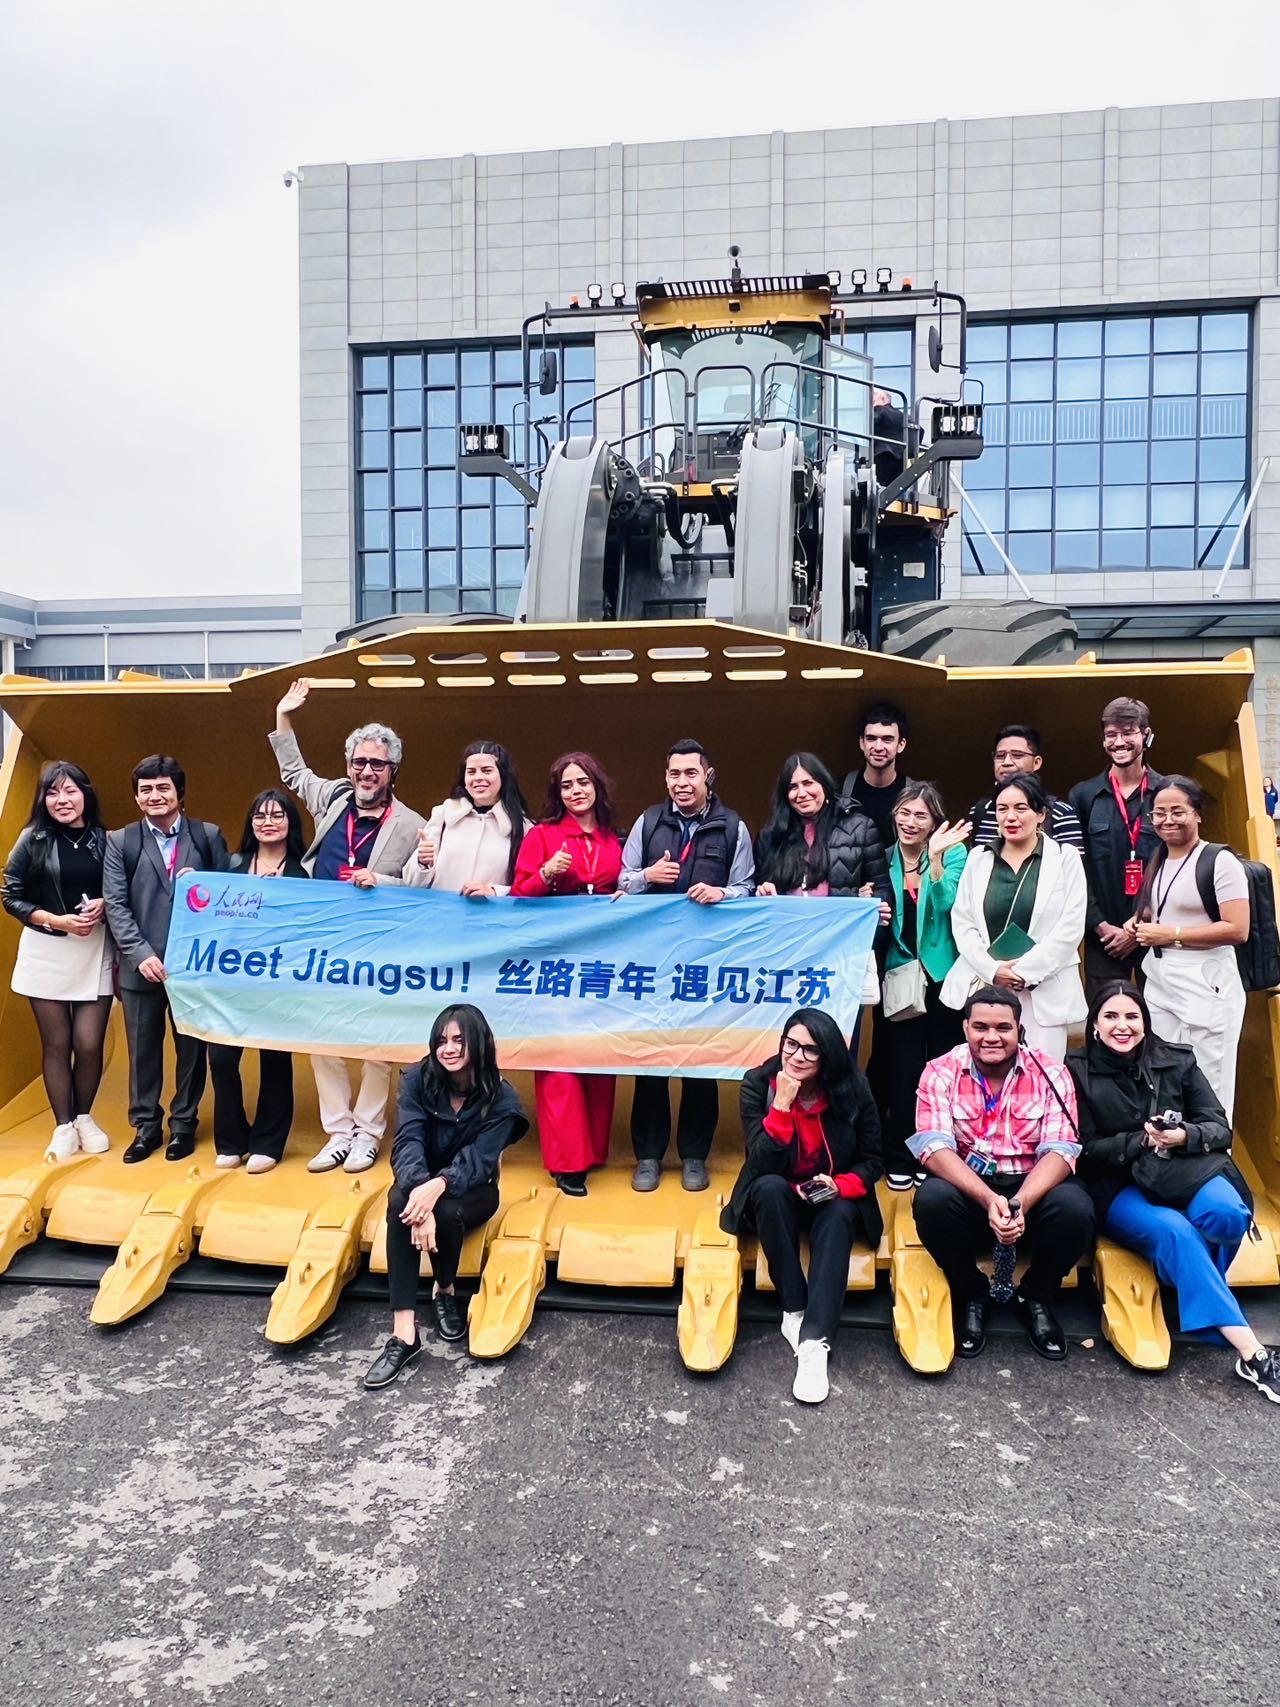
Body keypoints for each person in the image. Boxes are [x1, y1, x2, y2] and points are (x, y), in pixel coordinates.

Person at [1068, 980, 1279, 1403]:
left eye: (1132, 1016)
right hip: (1120, 1183)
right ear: (1094, 1026)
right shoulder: (1075, 1070)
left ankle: (1190, 1287)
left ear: (1145, 1023)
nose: (1122, 1026)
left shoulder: (1177, 1061)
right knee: (1176, 1233)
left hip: (1184, 1168)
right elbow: (1083, 1151)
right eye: (1110, 1016)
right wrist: (1140, 1141)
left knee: (1230, 1213)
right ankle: (1252, 1353)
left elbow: (1219, 1127)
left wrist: (1184, 1136)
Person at [270, 679, 426, 1174]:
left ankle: (368, 1134)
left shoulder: (412, 823)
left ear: (392, 770)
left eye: (376, 764)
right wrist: (284, 716)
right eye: (359, 762)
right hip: (325, 940)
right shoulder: (333, 800)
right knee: (324, 1038)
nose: (366, 771)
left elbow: (421, 886)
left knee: (377, 1043)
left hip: (380, 946)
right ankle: (337, 1132)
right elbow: (293, 772)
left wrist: (378, 880)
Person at [910, 985, 1095, 1360]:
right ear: (965, 1029)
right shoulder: (939, 1072)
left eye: (1002, 1028)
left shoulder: (1052, 1073)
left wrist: (1019, 1203)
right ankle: (971, 1294)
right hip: (971, 1187)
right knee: (931, 1200)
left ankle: (1036, 1296)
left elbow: (1062, 1150)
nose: (991, 1037)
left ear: (1019, 1030)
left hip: (1031, 1188)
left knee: (1077, 1208)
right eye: (980, 1027)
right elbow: (933, 1149)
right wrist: (990, 1199)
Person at [720, 1009, 884, 1404]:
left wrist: (840, 1184)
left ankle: (815, 1343)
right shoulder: (758, 1084)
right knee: (769, 1188)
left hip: (829, 1192)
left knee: (840, 1212)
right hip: (779, 1193)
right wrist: (782, 1107)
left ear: (828, 1056)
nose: (797, 1057)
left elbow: (873, 1160)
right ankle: (793, 1309)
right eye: (791, 1045)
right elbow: (760, 1161)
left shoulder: (853, 1088)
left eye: (811, 1051)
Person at [363, 1005, 528, 1388]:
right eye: (441, 1040)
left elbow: (478, 1162)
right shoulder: (418, 1079)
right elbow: (407, 1142)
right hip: (419, 1183)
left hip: (473, 1191)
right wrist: (422, 1196)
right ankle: (405, 1334)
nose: (448, 1049)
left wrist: (436, 1190)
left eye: (458, 1040)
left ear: (479, 1044)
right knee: (400, 1203)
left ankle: (444, 1289)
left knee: (447, 1209)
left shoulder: (502, 1099)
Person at [618, 738, 754, 1193]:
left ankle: (695, 1155)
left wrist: (723, 894)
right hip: (652, 965)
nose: (681, 783)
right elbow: (622, 880)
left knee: (701, 1063)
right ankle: (649, 1157)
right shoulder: (648, 821)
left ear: (707, 775)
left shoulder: (732, 827)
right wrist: (647, 878)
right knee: (650, 1062)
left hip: (706, 967)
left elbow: (748, 887)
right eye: (674, 775)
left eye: (690, 774)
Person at [103, 755, 229, 1163]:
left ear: (179, 793)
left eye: (162, 788)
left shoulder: (207, 836)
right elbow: (116, 905)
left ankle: (183, 1124)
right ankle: (145, 1126)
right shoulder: (120, 841)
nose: (154, 796)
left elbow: (226, 900)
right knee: (142, 1050)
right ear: (137, 797)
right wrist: (139, 954)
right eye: (145, 790)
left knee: (191, 1050)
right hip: (141, 967)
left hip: (193, 968)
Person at [512, 752, 624, 1196]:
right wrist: (545, 873)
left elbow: (625, 886)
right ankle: (567, 1163)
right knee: (559, 1060)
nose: (576, 791)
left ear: (597, 786)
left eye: (583, 783)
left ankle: (593, 1151)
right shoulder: (542, 836)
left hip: (605, 964)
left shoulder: (617, 839)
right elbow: (520, 894)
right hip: (555, 964)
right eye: (566, 785)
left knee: (598, 1055)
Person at [2, 761, 115, 1160]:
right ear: (43, 799)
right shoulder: (32, 839)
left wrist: (105, 904)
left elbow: (121, 888)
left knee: (88, 1043)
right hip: (47, 949)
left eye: (70, 791)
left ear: (86, 794)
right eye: (52, 793)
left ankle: (85, 1116)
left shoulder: (106, 839)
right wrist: (56, 921)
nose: (62, 800)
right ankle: (64, 1126)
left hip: (95, 948)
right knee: (58, 1042)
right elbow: (10, 895)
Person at [943, 773, 1087, 1060]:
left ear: (1041, 813)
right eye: (1002, 808)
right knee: (986, 1078)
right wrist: (993, 970)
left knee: (1040, 1079)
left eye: (1021, 808)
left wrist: (1024, 972)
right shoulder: (978, 859)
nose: (1011, 817)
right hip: (987, 986)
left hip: (1044, 989)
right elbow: (963, 923)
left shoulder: (1065, 858)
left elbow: (1070, 928)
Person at [1130, 776, 1249, 1121]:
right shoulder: (1159, 858)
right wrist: (1138, 922)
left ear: (1197, 813)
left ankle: (1214, 1162)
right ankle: (1171, 1158)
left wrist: (1170, 935)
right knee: (1165, 1077)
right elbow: (1163, 908)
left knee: (1211, 1082)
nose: (1167, 820)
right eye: (1159, 813)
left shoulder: (1220, 861)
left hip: (1206, 983)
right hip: (1162, 983)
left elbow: (1237, 928)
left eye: (1177, 811)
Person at [207, 789, 310, 1174]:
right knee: (220, 1058)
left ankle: (268, 1142)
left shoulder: (304, 874)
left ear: (290, 823)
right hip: (230, 984)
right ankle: (231, 1140)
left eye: (277, 815)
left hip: (279, 985)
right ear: (251, 824)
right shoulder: (230, 870)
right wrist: (192, 883)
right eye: (260, 815)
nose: (268, 822)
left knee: (275, 1060)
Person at [876, 783, 970, 1188]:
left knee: (943, 1066)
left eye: (920, 816)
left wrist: (933, 861)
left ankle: (937, 1156)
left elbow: (949, 903)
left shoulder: (954, 853)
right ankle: (900, 1153)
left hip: (943, 974)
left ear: (934, 822)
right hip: (900, 974)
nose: (910, 822)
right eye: (904, 813)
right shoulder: (883, 858)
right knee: (903, 1070)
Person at [1068, 697, 1166, 1000]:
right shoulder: (1083, 796)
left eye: (1128, 733)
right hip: (1104, 937)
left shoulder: (1167, 792)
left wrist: (1137, 929)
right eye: (1111, 735)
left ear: (1146, 735)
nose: (1119, 742)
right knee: (1104, 1018)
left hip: (1156, 932)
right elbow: (1074, 871)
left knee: (1162, 1019)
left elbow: (1176, 863)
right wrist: (1099, 925)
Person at [405, 740, 532, 897]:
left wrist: (495, 891)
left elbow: (527, 885)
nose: (478, 778)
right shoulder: (443, 815)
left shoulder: (523, 826)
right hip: (441, 917)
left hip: (490, 917)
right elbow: (411, 883)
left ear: (503, 776)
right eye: (471, 772)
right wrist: (423, 863)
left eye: (486, 771)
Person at [968, 726, 1084, 850]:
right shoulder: (980, 811)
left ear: (1037, 762)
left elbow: (1073, 866)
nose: (1007, 762)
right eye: (1000, 756)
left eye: (1017, 755)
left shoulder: (1060, 813)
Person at [841, 703, 911, 845]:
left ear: (901, 745)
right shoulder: (839, 789)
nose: (878, 747)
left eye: (887, 739)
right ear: (862, 743)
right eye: (871, 738)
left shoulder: (914, 793)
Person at [872, 388, 906, 487]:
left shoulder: (879, 410)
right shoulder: (904, 416)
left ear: (883, 399)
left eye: (873, 401)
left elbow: (873, 422)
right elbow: (919, 431)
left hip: (882, 456)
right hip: (900, 459)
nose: (872, 405)